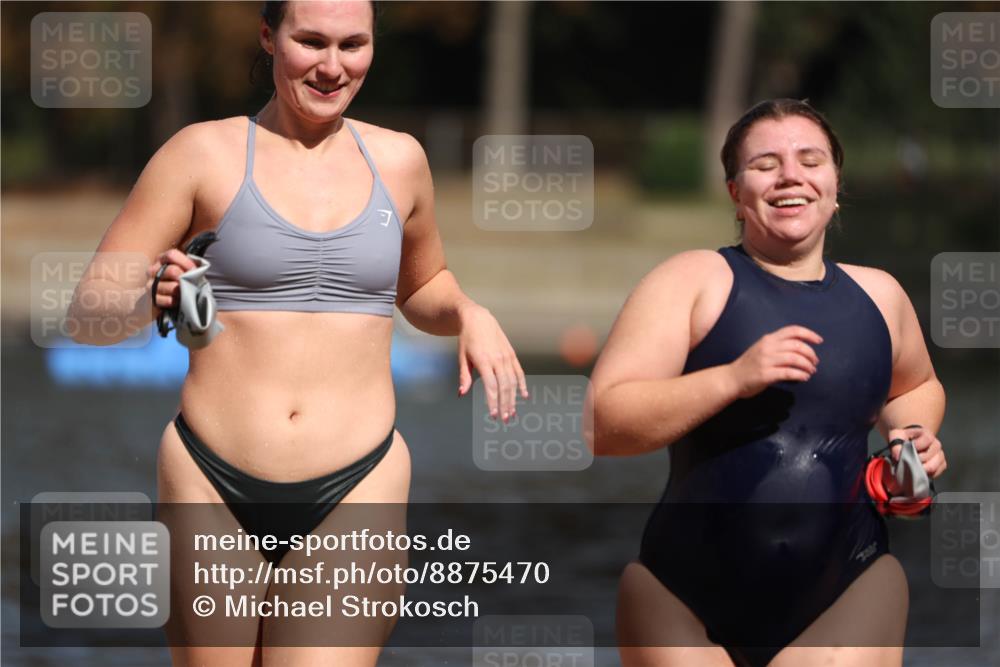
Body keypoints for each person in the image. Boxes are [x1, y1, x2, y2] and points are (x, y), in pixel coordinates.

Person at [68, 1, 527, 665]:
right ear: (269, 37)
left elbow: (423, 287)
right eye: (311, 41)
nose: (332, 66)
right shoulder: (201, 153)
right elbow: (89, 311)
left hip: (357, 481)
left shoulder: (401, 162)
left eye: (353, 44)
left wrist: (467, 313)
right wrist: (150, 296)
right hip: (209, 478)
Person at [587, 99, 947, 667]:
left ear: (835, 182)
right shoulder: (691, 280)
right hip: (682, 598)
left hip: (847, 587)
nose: (791, 177)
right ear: (735, 190)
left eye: (810, 159)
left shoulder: (881, 295)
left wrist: (911, 439)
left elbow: (915, 386)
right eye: (765, 164)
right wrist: (732, 378)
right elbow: (606, 425)